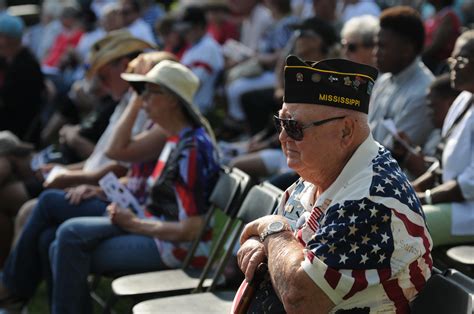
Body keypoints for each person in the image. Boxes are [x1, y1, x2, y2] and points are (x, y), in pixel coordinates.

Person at [237, 55, 432, 313]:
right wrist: (263, 242)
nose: (283, 136)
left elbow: (300, 298)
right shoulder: (322, 173)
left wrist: (271, 228)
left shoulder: (370, 202)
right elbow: (269, 244)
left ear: (346, 132)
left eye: (294, 126)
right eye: (280, 123)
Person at [413, 30, 474, 249]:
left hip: (468, 212)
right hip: (453, 203)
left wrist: (425, 198)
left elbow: (470, 184)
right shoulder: (464, 98)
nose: (454, 66)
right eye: (453, 59)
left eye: (462, 59)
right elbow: (442, 159)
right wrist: (412, 189)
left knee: (407, 225)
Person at [369, 6, 434, 155]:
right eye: (375, 45)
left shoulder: (423, 93)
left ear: (407, 50)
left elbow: (391, 154)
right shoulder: (384, 80)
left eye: (382, 46)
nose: (375, 53)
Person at [0, 13, 45, 145]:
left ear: (9, 39)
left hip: (16, 130)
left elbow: (9, 104)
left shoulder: (26, 66)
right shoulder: (6, 59)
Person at [422, 0, 461, 73]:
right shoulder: (433, 14)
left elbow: (436, 46)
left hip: (437, 63)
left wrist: (418, 55)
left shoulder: (449, 16)